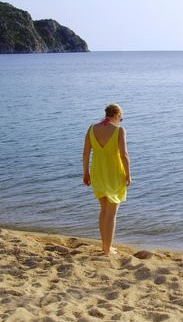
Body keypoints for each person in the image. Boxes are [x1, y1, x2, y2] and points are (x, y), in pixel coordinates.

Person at [83, 103, 132, 255]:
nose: (120, 121)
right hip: (114, 174)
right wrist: (128, 175)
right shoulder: (119, 130)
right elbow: (124, 155)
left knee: (104, 210)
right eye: (121, 118)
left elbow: (85, 154)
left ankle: (105, 245)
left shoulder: (92, 129)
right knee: (111, 213)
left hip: (97, 172)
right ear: (117, 115)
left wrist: (86, 173)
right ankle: (107, 249)